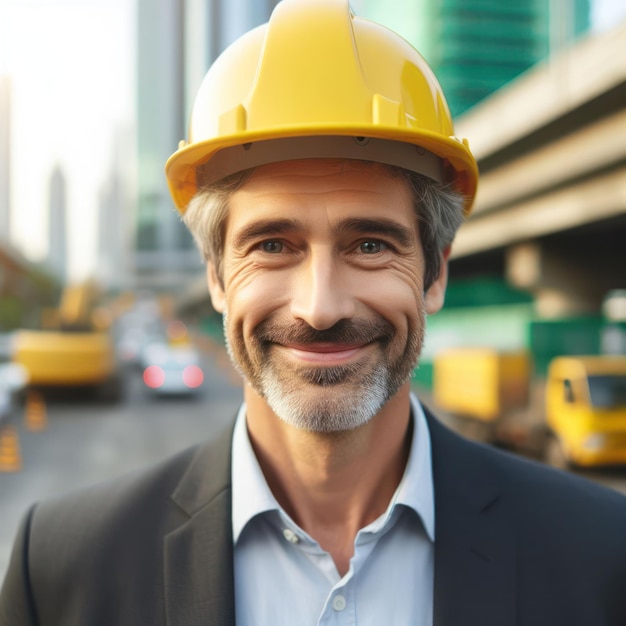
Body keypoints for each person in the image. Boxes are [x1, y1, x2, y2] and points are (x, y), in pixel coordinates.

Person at [2, 0, 626, 624]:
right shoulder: (61, 570)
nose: (320, 307)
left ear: (435, 271)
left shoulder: (602, 555)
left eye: (371, 245)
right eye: (272, 245)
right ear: (217, 276)